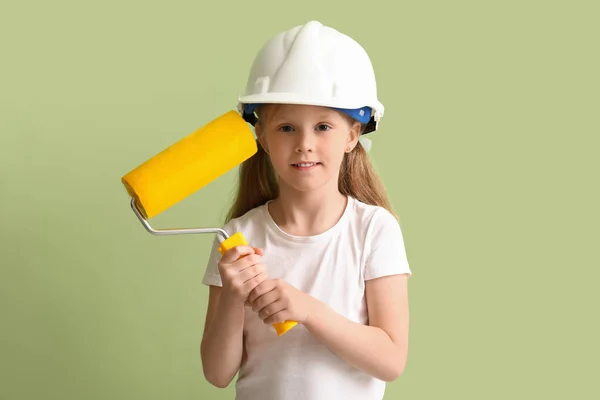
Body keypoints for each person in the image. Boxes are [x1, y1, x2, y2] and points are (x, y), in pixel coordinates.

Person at [200, 20, 412, 400]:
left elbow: (391, 360)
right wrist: (232, 296)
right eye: (286, 128)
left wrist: (309, 310)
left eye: (323, 126)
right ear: (261, 136)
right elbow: (217, 373)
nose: (304, 144)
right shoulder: (239, 238)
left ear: (352, 135)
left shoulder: (374, 230)